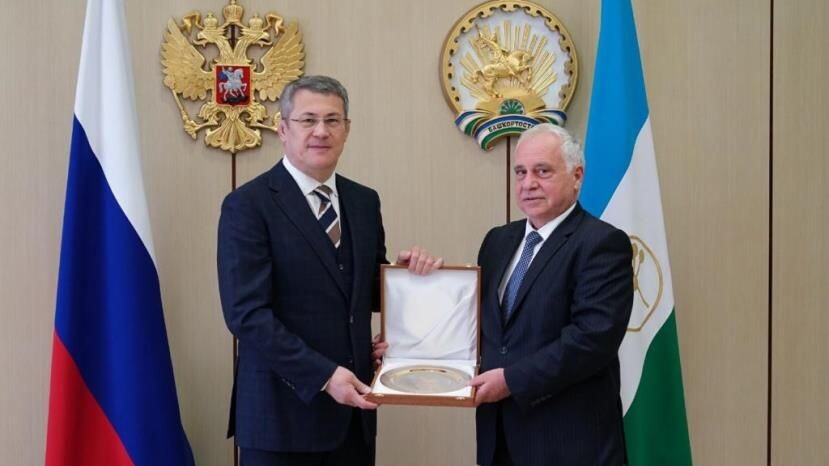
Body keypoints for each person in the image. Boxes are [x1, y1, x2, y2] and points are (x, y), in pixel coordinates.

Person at [217, 75, 441, 466]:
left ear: (347, 129)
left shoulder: (363, 201)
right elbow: (246, 316)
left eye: (332, 120)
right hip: (280, 420)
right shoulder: (248, 205)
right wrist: (323, 375)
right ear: (283, 129)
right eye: (308, 120)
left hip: (353, 418)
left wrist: (405, 278)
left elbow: (363, 291)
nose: (321, 131)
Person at [469, 123, 633, 466]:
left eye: (542, 171)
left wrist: (511, 381)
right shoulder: (497, 241)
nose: (528, 183)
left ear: (577, 176)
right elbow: (480, 326)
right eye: (520, 172)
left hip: (568, 443)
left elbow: (591, 340)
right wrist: (413, 346)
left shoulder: (601, 244)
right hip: (499, 439)